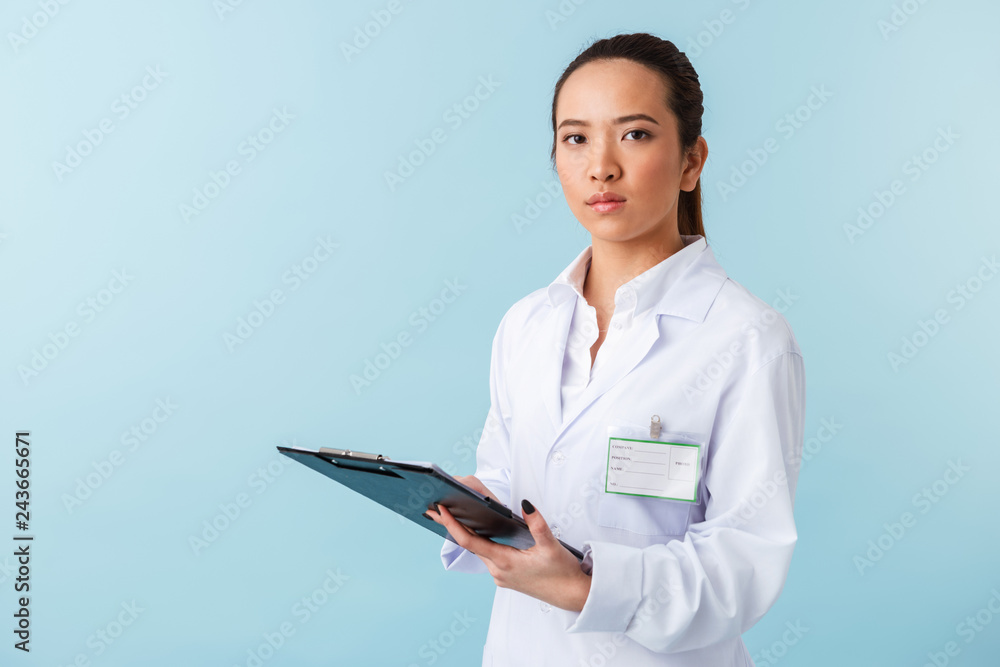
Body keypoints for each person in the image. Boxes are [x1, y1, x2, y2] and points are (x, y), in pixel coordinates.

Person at [425, 32, 806, 666]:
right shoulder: (526, 326)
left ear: (691, 161)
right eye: (575, 138)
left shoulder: (746, 339)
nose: (601, 165)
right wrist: (465, 502)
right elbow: (507, 479)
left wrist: (588, 586)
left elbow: (745, 563)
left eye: (634, 134)